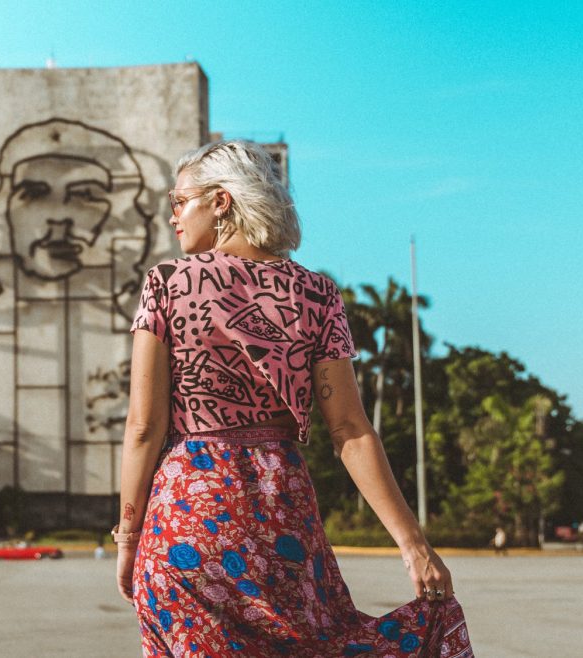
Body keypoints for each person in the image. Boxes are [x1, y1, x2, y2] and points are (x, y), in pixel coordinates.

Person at [113, 140, 474, 656]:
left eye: (179, 201)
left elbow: (143, 428)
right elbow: (351, 431)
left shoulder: (167, 283)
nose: (172, 216)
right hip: (282, 523)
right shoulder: (317, 294)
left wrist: (128, 539)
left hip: (184, 526)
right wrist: (414, 547)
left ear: (220, 202)